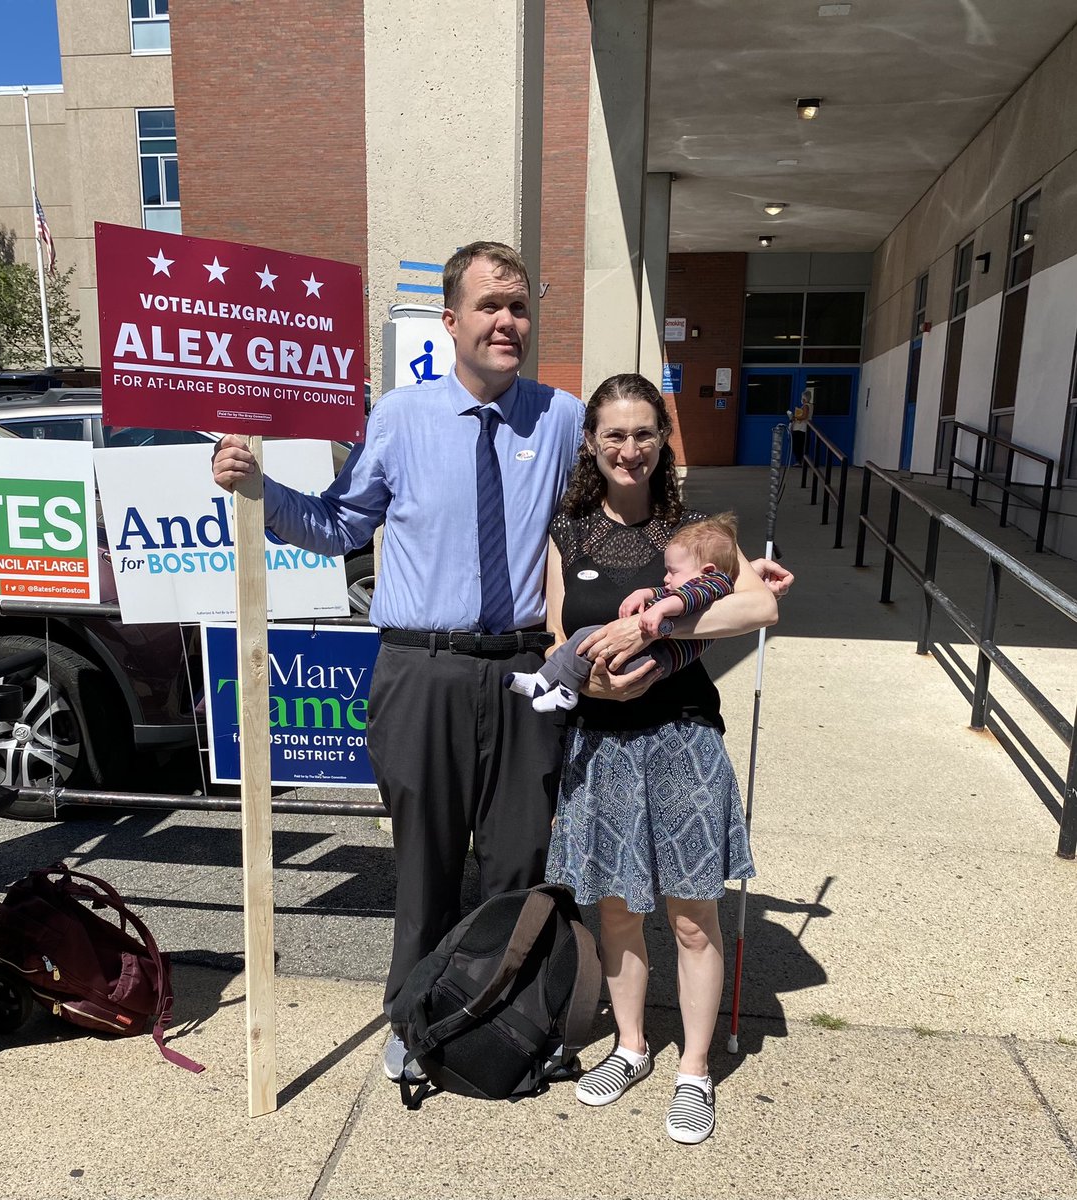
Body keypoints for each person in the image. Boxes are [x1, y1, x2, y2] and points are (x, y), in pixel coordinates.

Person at [210, 241, 592, 1083]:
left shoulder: (562, 419)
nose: (507, 321)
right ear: (450, 320)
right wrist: (259, 490)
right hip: (421, 671)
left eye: (519, 307)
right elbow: (345, 526)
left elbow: (599, 528)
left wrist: (703, 576)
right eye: (489, 305)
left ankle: (503, 1012)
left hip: (527, 670)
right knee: (424, 859)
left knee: (517, 858)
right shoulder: (399, 417)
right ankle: (415, 1014)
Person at [541, 373, 779, 1146]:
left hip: (682, 743)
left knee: (691, 918)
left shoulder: (692, 530)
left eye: (645, 432)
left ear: (662, 442)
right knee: (615, 910)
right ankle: (633, 1046)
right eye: (615, 433)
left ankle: (695, 1069)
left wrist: (653, 629)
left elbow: (758, 605)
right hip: (602, 746)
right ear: (591, 443)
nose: (630, 448)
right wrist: (592, 683)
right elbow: (554, 639)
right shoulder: (568, 532)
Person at [503, 513, 739, 712]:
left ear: (707, 570)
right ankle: (544, 680)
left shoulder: (715, 582)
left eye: (672, 572)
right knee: (586, 635)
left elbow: (689, 597)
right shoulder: (696, 582)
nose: (666, 578)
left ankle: (565, 689)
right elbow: (673, 593)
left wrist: (660, 608)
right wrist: (647, 594)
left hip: (658, 660)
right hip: (654, 651)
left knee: (602, 653)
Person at [791, 386, 814, 465]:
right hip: (804, 428)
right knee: (802, 445)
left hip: (800, 429)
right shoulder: (810, 406)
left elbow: (804, 416)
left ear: (804, 398)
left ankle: (799, 461)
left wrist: (795, 417)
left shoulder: (806, 406)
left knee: (797, 445)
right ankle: (801, 461)